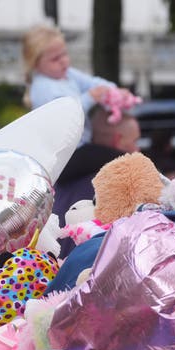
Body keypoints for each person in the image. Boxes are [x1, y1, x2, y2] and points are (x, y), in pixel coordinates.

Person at [53, 105, 141, 257]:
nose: (138, 148)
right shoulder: (121, 182)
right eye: (135, 140)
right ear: (118, 140)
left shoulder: (59, 175)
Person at [22, 24, 123, 146]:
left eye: (64, 54)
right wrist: (89, 98)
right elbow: (66, 116)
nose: (63, 61)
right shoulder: (43, 88)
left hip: (82, 143)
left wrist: (113, 90)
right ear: (35, 64)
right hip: (64, 152)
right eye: (55, 59)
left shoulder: (68, 74)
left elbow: (92, 82)